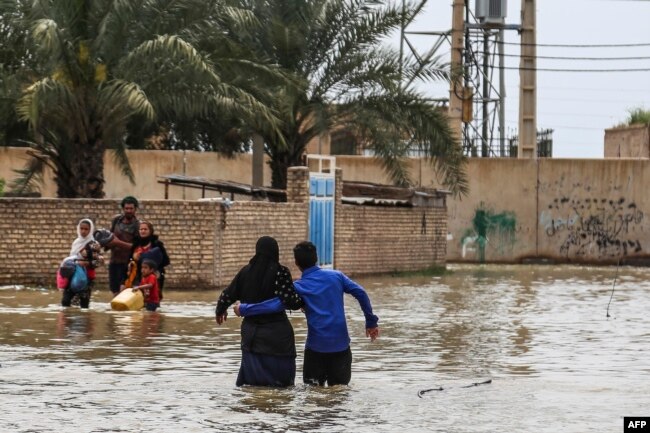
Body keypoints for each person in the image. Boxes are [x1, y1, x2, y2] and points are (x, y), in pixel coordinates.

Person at [237, 241, 379, 386]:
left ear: (297, 262)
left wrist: (244, 308)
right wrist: (371, 322)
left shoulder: (299, 286)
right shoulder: (336, 277)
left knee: (312, 396)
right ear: (316, 258)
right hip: (341, 348)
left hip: (315, 350)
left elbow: (275, 305)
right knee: (339, 396)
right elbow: (361, 293)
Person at [215, 236, 304, 387]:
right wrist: (302, 301)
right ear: (276, 252)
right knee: (282, 389)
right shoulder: (280, 272)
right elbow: (290, 301)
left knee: (252, 387)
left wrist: (220, 310)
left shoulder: (245, 272)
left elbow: (227, 294)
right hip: (278, 338)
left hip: (252, 338)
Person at [59, 218, 104, 308]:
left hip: (86, 277)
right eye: (81, 228)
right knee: (65, 301)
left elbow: (99, 261)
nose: (83, 231)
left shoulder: (94, 244)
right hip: (72, 274)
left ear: (90, 230)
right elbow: (71, 257)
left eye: (86, 229)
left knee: (84, 305)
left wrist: (86, 263)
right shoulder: (76, 242)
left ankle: (85, 320)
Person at [125, 221, 170, 297]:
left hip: (155, 276)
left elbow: (166, 260)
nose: (143, 231)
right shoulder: (136, 244)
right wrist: (133, 258)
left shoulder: (157, 244)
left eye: (145, 229)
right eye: (141, 229)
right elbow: (129, 261)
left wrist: (154, 268)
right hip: (139, 276)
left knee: (154, 298)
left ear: (150, 231)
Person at [108, 196, 140, 295]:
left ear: (135, 209)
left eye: (131, 209)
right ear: (123, 209)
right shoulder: (116, 221)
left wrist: (118, 243)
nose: (129, 211)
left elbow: (136, 247)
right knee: (115, 292)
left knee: (125, 291)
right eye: (126, 208)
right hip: (114, 262)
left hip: (129, 264)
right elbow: (110, 237)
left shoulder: (138, 225)